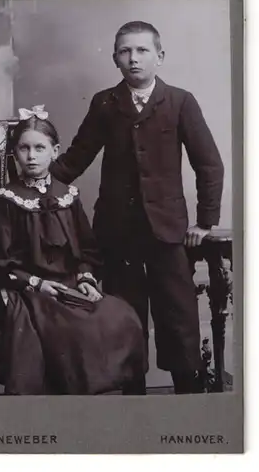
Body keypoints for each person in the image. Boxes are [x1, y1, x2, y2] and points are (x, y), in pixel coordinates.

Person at [50, 21, 224, 394]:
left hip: (168, 231)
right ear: (115, 58)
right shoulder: (104, 103)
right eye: (125, 51)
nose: (133, 59)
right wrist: (33, 181)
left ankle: (189, 399)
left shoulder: (180, 101)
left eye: (142, 50)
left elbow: (209, 164)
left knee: (178, 318)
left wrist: (206, 222)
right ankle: (134, 403)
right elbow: (75, 159)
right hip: (117, 232)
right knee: (125, 317)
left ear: (159, 56)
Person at [0, 105, 147, 395]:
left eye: (40, 148)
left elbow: (86, 250)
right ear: (14, 154)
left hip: (69, 286)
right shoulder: (6, 200)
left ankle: (113, 406)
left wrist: (85, 279)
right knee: (69, 330)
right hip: (27, 292)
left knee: (121, 315)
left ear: (55, 151)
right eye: (24, 149)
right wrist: (38, 284)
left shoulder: (68, 196)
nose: (31, 156)